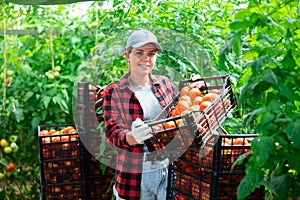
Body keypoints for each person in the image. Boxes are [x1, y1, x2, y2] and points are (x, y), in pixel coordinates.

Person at [102, 29, 202, 200]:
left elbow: (181, 111)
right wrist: (132, 136)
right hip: (135, 174)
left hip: (168, 169)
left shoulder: (165, 84)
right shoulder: (115, 91)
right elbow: (112, 134)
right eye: (139, 53)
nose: (145, 59)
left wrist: (194, 89)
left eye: (151, 54)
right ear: (128, 55)